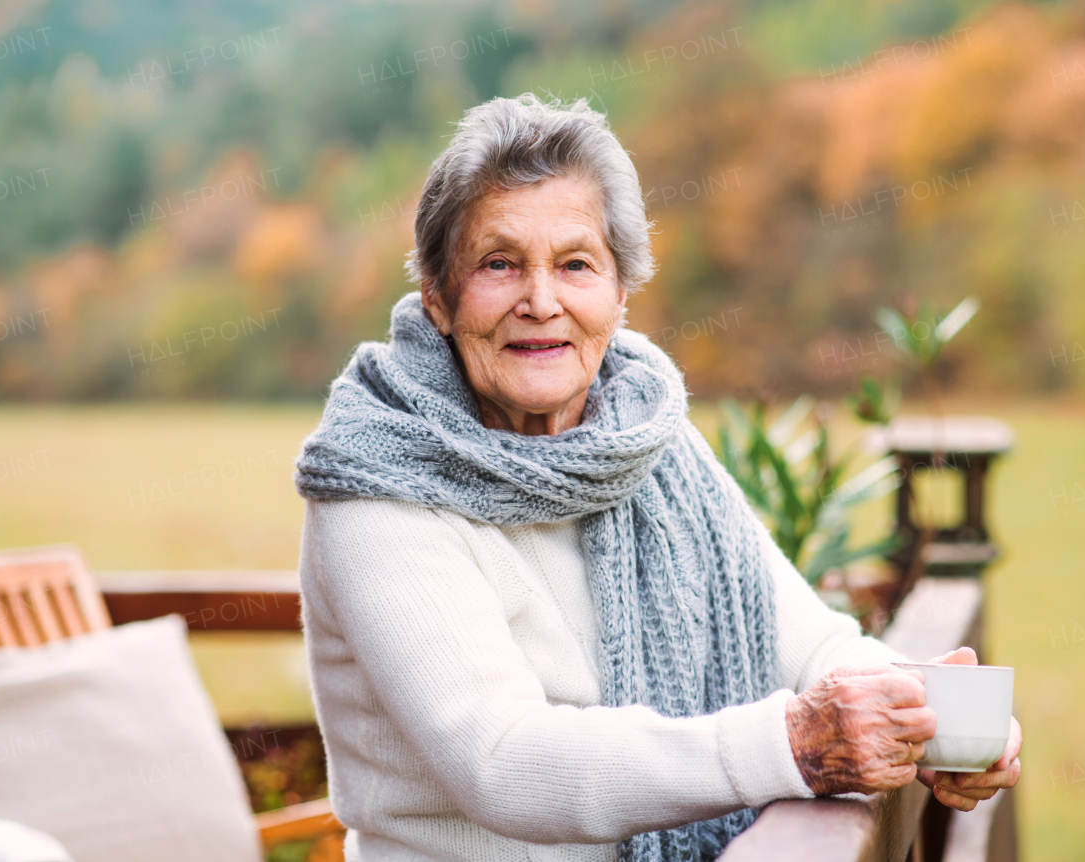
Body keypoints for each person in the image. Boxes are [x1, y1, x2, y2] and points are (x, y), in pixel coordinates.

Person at [293, 93, 1021, 862]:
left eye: (575, 265)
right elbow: (503, 761)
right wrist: (791, 744)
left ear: (619, 294)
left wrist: (926, 710)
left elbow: (811, 649)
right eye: (499, 264)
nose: (541, 301)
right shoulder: (378, 485)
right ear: (438, 296)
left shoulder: (650, 446)